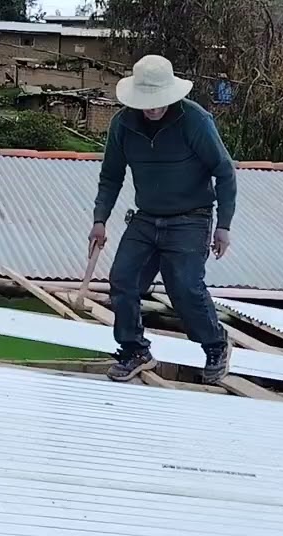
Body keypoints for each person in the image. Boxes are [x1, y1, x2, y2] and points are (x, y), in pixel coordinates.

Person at [90, 54, 237, 383]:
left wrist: (223, 226)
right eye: (147, 103)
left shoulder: (195, 121)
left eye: (159, 102)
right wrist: (100, 219)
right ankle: (134, 351)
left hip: (191, 219)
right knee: (123, 280)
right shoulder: (123, 125)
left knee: (184, 286)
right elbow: (111, 176)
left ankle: (215, 345)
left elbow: (224, 171)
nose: (153, 108)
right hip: (146, 217)